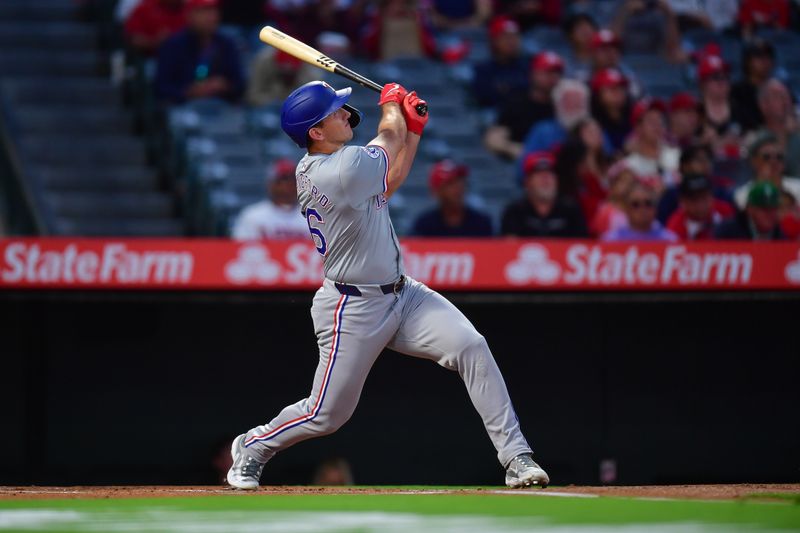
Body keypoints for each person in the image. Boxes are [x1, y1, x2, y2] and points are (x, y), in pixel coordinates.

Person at [226, 81, 549, 490]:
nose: (345, 113)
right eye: (335, 111)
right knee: (327, 414)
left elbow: (389, 181)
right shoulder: (337, 168)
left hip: (403, 294)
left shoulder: (344, 166)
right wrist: (393, 104)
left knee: (471, 346)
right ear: (316, 132)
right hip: (352, 308)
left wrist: (413, 130)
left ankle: (517, 457)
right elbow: (388, 135)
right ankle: (254, 446)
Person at [154, 0, 245, 104]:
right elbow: (161, 88)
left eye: (213, 10)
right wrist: (189, 92)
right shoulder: (173, 45)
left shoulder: (226, 44)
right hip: (184, 107)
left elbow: (240, 84)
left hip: (221, 106)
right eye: (203, 11)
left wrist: (224, 85)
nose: (211, 16)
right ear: (189, 15)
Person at [483, 50, 563, 159]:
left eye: (557, 73)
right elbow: (493, 139)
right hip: (519, 163)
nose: (553, 77)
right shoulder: (516, 101)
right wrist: (519, 150)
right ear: (533, 74)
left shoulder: (564, 105)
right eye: (547, 72)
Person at [501, 151, 588, 237]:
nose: (546, 179)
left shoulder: (570, 211)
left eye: (550, 173)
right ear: (527, 182)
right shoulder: (515, 212)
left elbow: (582, 246)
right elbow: (509, 247)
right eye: (539, 174)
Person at [231, 159, 310, 240]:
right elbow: (241, 248)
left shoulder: (312, 217)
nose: (287, 186)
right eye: (282, 181)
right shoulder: (252, 216)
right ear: (270, 184)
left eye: (293, 181)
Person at [411, 160, 493, 237]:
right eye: (450, 184)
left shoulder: (481, 223)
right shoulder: (424, 226)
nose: (458, 188)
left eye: (460, 182)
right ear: (436, 191)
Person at [553, 118, 610, 224]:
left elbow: (604, 199)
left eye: (599, 132)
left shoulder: (589, 177)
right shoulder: (559, 184)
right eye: (590, 132)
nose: (596, 135)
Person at [623, 97, 681, 192]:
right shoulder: (629, 167)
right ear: (638, 128)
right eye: (651, 121)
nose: (657, 125)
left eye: (660, 120)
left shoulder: (677, 155)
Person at [471, 15, 529, 109]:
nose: (512, 42)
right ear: (494, 41)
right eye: (506, 37)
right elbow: (484, 98)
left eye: (515, 36)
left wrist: (505, 89)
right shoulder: (483, 70)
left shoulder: (528, 66)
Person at [734, 132, 800, 209]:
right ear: (753, 161)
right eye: (766, 157)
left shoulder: (798, 188)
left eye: (779, 157)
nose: (774, 161)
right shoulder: (743, 195)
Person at [751, 79, 800, 178]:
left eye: (787, 96)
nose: (785, 101)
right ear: (763, 105)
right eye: (778, 96)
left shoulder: (797, 135)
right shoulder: (755, 139)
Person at [602, 180, 678, 241]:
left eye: (648, 203)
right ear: (626, 209)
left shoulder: (669, 240)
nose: (643, 208)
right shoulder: (611, 240)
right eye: (635, 204)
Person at [610, 0, 684, 63]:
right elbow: (609, 43)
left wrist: (669, 14)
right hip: (624, 60)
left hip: (654, 61)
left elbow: (673, 50)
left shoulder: (658, 11)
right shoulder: (617, 5)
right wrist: (625, 12)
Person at [665, 173, 734, 239]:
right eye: (694, 199)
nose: (700, 205)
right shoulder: (675, 225)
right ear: (683, 201)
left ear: (712, 196)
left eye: (704, 197)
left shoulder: (726, 211)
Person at [730, 38, 776, 134]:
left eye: (768, 56)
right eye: (759, 56)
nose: (764, 61)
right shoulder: (737, 91)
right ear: (747, 61)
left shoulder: (779, 88)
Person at [715, 181, 785, 239]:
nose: (769, 214)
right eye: (764, 209)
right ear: (750, 209)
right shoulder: (728, 232)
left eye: (773, 209)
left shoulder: (782, 233)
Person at [590, 67, 632, 153]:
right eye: (612, 88)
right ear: (598, 94)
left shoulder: (635, 119)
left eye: (622, 88)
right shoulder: (592, 124)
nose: (618, 92)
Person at [591, 159, 636, 236]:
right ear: (613, 185)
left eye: (631, 182)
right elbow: (599, 237)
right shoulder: (605, 210)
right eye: (623, 181)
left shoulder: (637, 208)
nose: (628, 185)